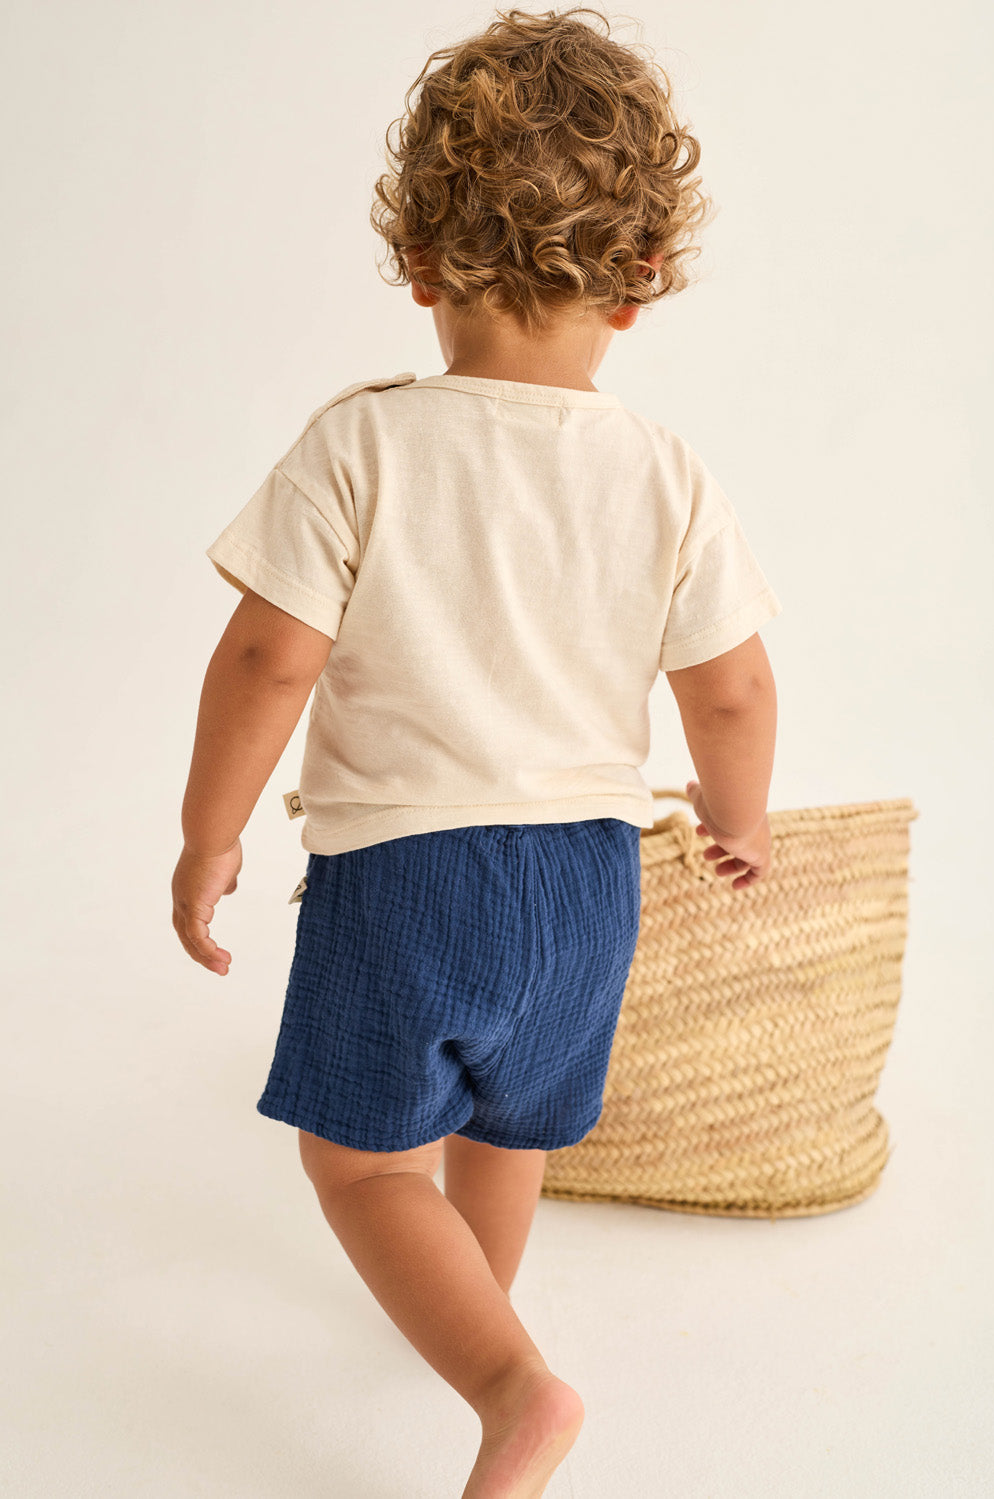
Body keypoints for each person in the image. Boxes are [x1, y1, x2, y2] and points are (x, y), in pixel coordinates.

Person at [171, 7, 780, 1495]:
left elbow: (269, 655)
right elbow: (735, 690)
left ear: (424, 266)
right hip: (589, 877)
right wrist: (736, 819)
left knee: (365, 1161)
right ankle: (481, 1316)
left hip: (406, 879)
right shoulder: (664, 471)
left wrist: (209, 835)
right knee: (509, 1127)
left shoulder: (361, 446)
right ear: (642, 284)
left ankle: (508, 1386)